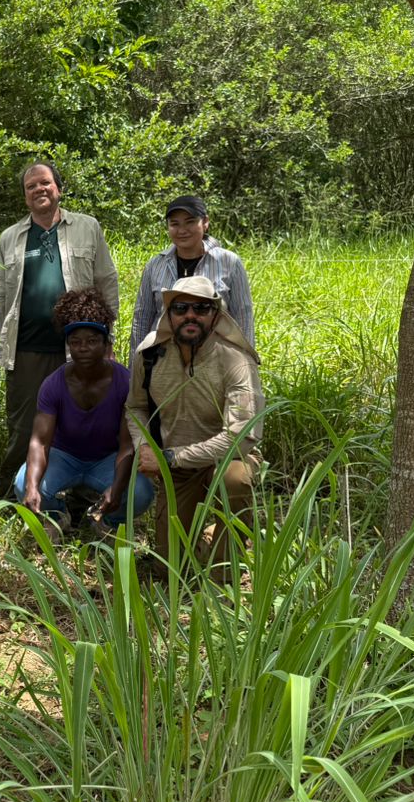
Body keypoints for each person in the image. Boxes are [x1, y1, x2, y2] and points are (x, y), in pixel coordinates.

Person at [125, 275, 263, 572]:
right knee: (171, 566)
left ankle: (227, 560)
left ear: (215, 315)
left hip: (226, 460)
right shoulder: (149, 354)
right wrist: (145, 446)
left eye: (201, 309)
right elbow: (135, 406)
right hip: (177, 470)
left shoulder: (235, 360)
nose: (190, 315)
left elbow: (241, 435)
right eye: (181, 308)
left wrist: (171, 457)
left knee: (235, 480)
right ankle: (206, 535)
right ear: (168, 315)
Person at [0, 160, 119, 483]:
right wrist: (4, 344)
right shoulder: (10, 237)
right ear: (25, 197)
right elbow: (4, 300)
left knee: (80, 423)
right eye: (31, 186)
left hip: (81, 349)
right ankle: (20, 497)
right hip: (26, 351)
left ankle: (80, 498)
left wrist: (108, 341)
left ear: (58, 188)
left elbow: (106, 282)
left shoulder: (87, 227)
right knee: (24, 427)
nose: (39, 189)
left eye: (45, 183)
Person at [14, 288, 153, 537]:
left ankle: (107, 521)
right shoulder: (54, 384)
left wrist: (117, 488)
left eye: (92, 341)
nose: (83, 348)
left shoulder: (125, 383)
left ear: (105, 342)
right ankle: (56, 516)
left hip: (107, 459)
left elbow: (127, 445)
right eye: (76, 342)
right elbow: (40, 441)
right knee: (23, 482)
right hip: (65, 456)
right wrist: (33, 487)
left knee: (141, 493)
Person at [130, 194, 254, 353]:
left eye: (190, 222)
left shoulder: (229, 262)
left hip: (216, 358)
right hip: (164, 359)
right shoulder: (155, 265)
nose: (182, 230)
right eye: (175, 224)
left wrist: (246, 364)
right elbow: (141, 319)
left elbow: (244, 318)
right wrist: (136, 369)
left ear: (205, 222)